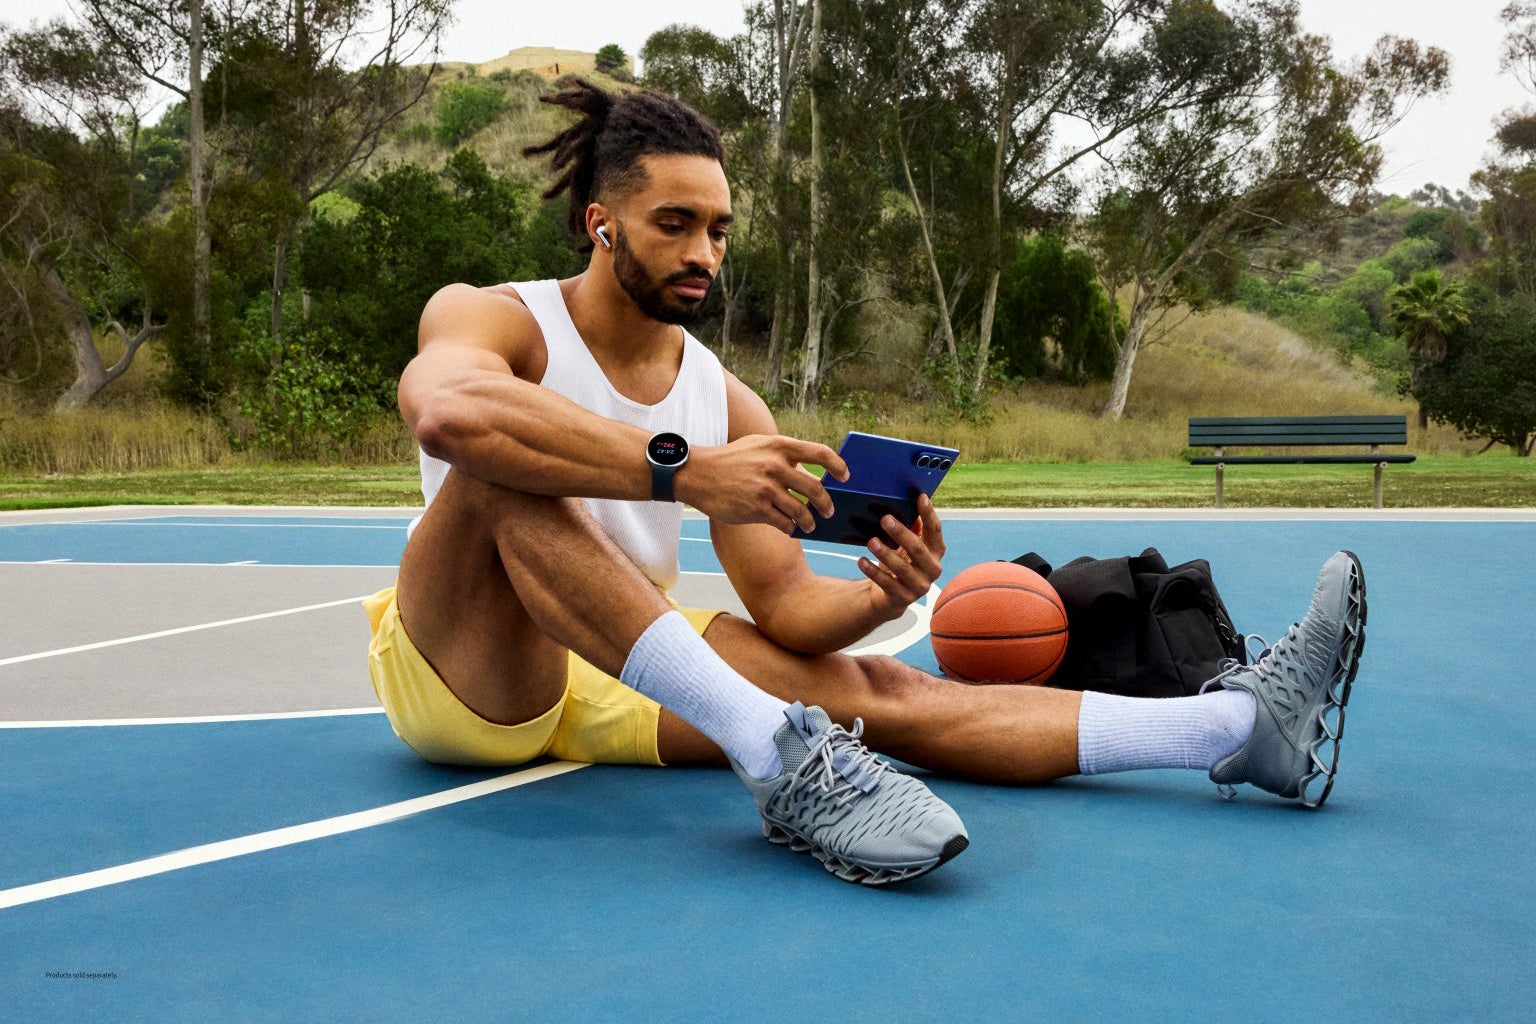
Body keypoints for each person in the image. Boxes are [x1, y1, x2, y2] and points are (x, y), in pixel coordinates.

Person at [362, 79, 1367, 886]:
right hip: (468, 667)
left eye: (719, 229)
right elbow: (449, 414)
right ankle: (772, 749)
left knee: (879, 691)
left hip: (623, 662)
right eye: (674, 223)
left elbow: (788, 608)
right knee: (498, 471)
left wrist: (880, 596)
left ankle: (1234, 727)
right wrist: (685, 473)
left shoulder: (727, 401)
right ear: (601, 223)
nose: (704, 253)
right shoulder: (495, 317)